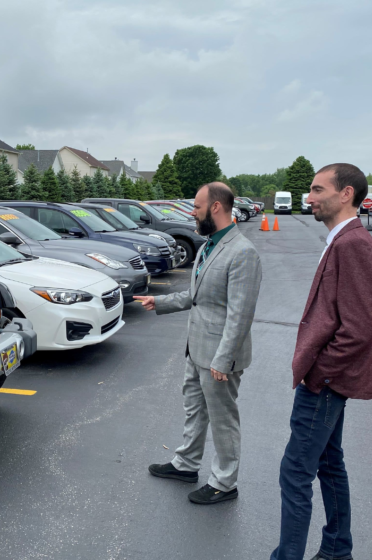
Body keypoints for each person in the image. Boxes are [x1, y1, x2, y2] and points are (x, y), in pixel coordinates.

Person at [270, 164, 372, 560]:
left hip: (325, 383)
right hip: (327, 381)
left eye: (318, 190)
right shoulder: (343, 238)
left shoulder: (352, 244)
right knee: (329, 464)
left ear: (345, 193)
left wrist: (319, 377)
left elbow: (358, 329)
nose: (310, 197)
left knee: (295, 472)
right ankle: (337, 549)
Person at [134, 182, 262, 505]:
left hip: (220, 358)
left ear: (215, 208)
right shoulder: (208, 246)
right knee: (194, 410)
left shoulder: (242, 252)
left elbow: (240, 315)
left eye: (197, 206)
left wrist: (223, 359)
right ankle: (186, 464)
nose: (192, 212)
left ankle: (224, 481)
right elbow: (196, 297)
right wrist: (159, 302)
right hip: (197, 349)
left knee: (223, 418)